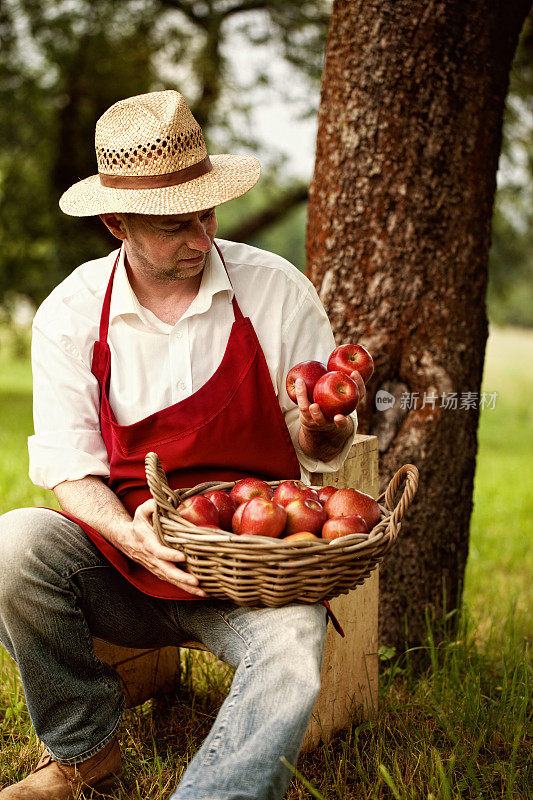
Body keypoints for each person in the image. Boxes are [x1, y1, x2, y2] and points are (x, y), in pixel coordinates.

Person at [0, 90, 365, 800]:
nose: (200, 237)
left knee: (291, 654)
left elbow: (318, 448)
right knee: (12, 546)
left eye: (206, 214)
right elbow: (69, 467)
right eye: (173, 225)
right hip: (121, 564)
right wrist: (125, 534)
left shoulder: (275, 292)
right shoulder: (73, 313)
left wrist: (323, 427)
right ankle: (84, 749)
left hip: (251, 576)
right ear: (116, 223)